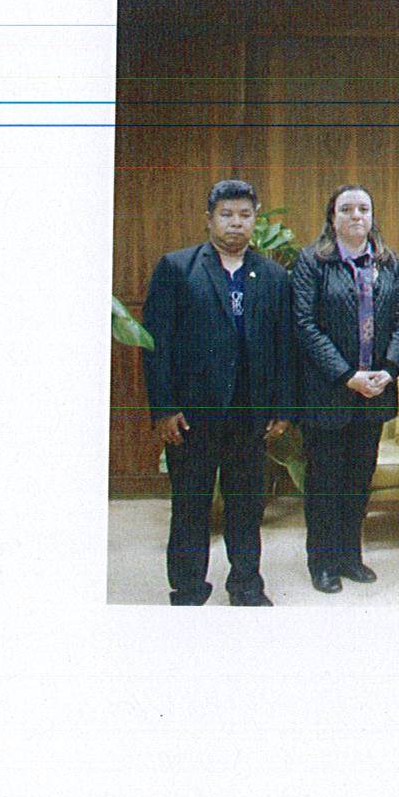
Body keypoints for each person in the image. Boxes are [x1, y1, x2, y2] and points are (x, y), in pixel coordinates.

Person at [141, 177, 294, 607]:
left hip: (250, 414)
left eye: (245, 215)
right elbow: (156, 345)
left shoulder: (273, 276)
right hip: (193, 415)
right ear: (209, 219)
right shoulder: (177, 268)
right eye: (226, 214)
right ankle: (188, 588)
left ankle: (246, 585)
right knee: (190, 506)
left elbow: (285, 346)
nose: (236, 223)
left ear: (255, 220)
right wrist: (164, 408)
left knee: (246, 507)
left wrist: (283, 407)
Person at [291, 185, 399, 593]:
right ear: (332, 217)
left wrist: (389, 370)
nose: (356, 215)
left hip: (374, 393)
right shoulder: (312, 261)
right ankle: (322, 562)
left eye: (363, 208)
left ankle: (350, 557)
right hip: (329, 392)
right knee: (324, 482)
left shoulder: (388, 261)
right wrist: (346, 375)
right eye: (347, 209)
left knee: (359, 480)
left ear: (372, 216)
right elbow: (305, 324)